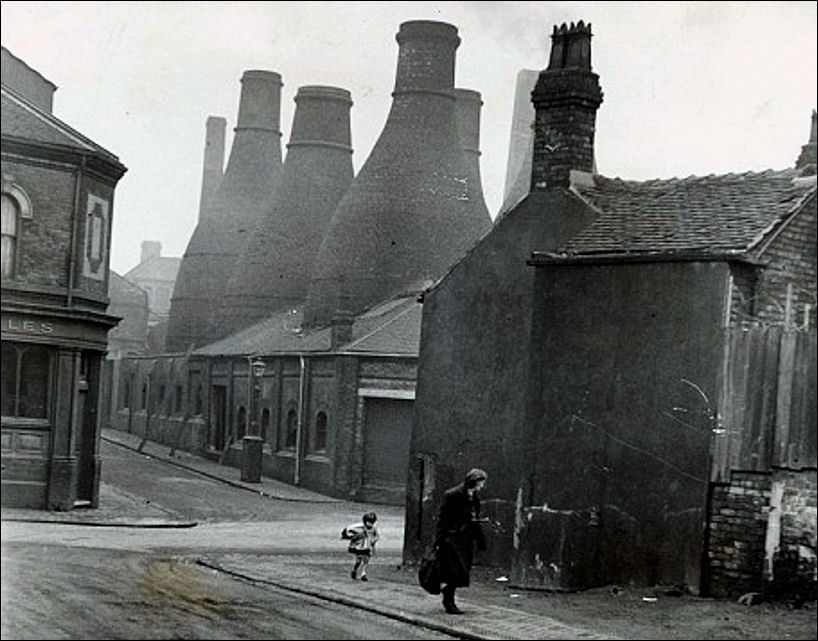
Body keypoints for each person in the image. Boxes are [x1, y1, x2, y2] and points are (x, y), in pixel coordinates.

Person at [435, 468, 488, 614]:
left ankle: (447, 593)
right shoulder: (453, 495)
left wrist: (480, 539)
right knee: (454, 570)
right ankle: (449, 601)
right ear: (474, 481)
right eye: (481, 483)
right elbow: (444, 519)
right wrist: (440, 539)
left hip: (466, 540)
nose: (482, 486)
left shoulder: (474, 497)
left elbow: (475, 518)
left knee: (461, 570)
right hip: (453, 540)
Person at [341, 511, 379, 581]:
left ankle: (363, 573)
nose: (370, 524)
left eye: (371, 522)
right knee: (358, 561)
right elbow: (353, 535)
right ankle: (355, 570)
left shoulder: (373, 529)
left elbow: (376, 536)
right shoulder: (360, 529)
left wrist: (374, 540)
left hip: (367, 547)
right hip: (360, 547)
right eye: (368, 522)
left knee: (366, 560)